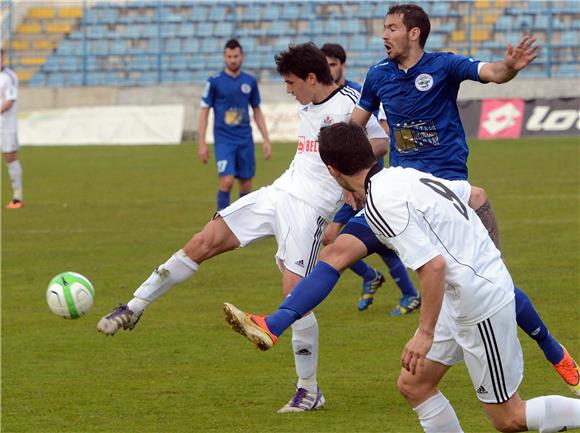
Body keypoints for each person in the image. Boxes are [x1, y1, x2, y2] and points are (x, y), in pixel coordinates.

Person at [222, 122, 580, 433]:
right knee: (414, 385)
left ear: (332, 170)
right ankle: (274, 322)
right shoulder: (403, 175)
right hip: (461, 295)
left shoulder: (383, 204)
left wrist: (425, 334)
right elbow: (473, 196)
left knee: (508, 417)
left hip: (476, 303)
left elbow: (433, 266)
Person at [96, 43, 388, 413]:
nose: (288, 90)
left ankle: (309, 390)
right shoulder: (308, 103)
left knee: (295, 300)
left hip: (311, 209)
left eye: (291, 82)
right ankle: (135, 305)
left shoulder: (351, 101)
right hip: (278, 192)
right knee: (206, 239)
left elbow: (381, 141)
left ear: (312, 79)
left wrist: (350, 177)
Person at [348, 3, 578, 395]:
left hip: (452, 195)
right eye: (383, 28)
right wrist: (345, 177)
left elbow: (491, 73)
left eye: (391, 27)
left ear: (414, 33)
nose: (383, 35)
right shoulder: (377, 76)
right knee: (337, 251)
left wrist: (511, 67)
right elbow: (353, 129)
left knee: (493, 282)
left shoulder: (445, 66)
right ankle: (281, 326)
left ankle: (553, 350)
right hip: (406, 198)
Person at [320, 42, 420, 315]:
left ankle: (391, 285)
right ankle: (392, 286)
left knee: (335, 238)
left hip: (366, 180)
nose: (328, 70)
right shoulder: (324, 99)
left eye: (332, 64)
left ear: (342, 64)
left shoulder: (357, 94)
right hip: (346, 182)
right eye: (324, 65)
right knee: (374, 239)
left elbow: (381, 137)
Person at [197, 38, 271, 211]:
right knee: (227, 180)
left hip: (245, 139)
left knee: (245, 184)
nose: (232, 60)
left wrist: (266, 139)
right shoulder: (214, 81)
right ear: (224, 57)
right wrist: (201, 142)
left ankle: (241, 227)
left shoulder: (250, 81)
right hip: (224, 140)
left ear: (242, 56)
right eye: (229, 56)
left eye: (236, 56)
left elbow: (257, 110)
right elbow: (204, 111)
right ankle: (220, 222)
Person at [1, 48, 23, 209]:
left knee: (10, 158)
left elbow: (10, 101)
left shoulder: (9, 77)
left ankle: (17, 197)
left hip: (7, 124)